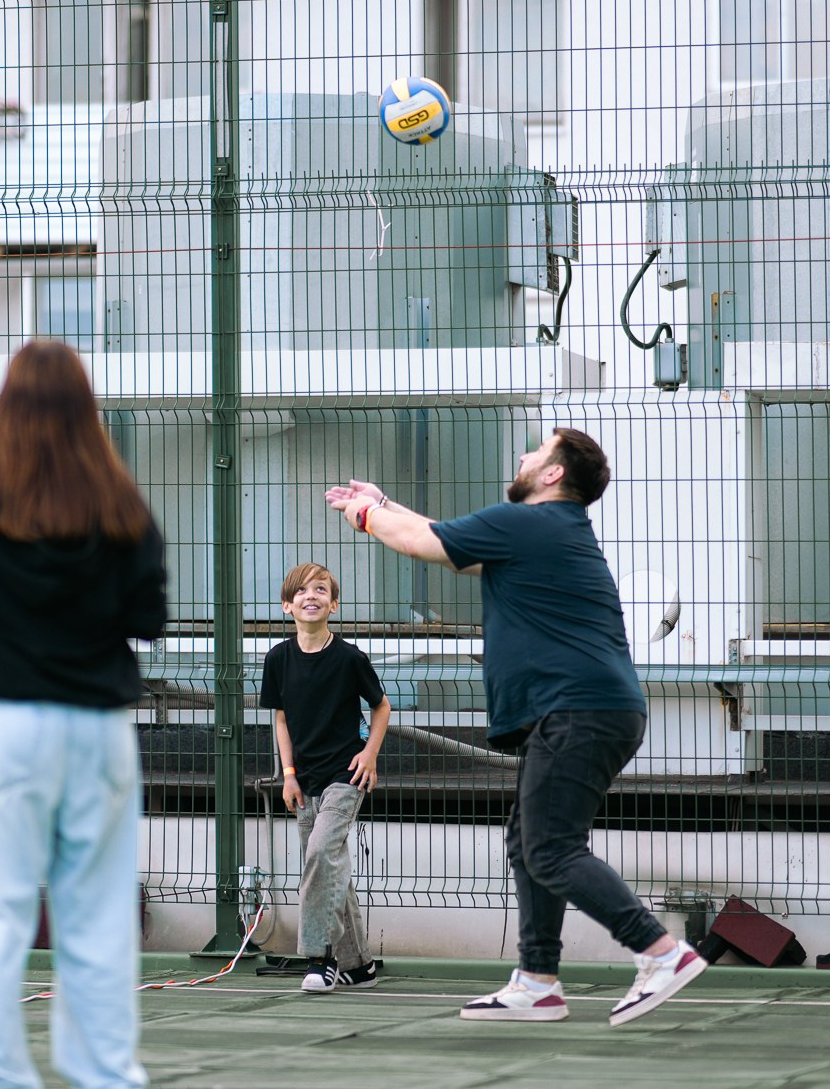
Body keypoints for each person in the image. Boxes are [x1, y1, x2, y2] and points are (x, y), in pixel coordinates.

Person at [325, 428, 705, 1027]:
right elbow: (449, 539)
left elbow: (424, 544)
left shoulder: (530, 523)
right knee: (531, 844)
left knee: (549, 847)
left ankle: (660, 951)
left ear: (553, 474)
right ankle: (537, 982)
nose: (524, 456)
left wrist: (365, 515)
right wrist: (387, 503)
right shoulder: (540, 532)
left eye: (537, 451)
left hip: (578, 710)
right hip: (588, 709)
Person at [0, 340, 167, 1089]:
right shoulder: (118, 499)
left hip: (2, 719)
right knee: (97, 915)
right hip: (97, 722)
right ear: (84, 406)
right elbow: (149, 618)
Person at [260, 562, 393, 994]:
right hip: (304, 780)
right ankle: (360, 966)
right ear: (287, 605)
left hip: (345, 775)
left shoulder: (350, 658)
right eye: (301, 591)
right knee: (330, 868)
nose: (311, 596)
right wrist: (289, 774)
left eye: (321, 589)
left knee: (319, 854)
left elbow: (381, 707)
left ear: (333, 604)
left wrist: (369, 755)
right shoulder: (277, 659)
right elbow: (281, 720)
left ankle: (320, 959)